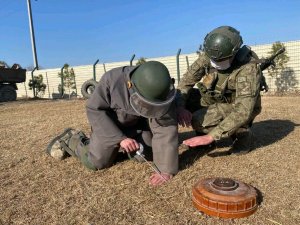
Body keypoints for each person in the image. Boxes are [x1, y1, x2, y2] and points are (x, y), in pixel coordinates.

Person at [47, 61, 178, 186]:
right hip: (109, 126)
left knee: (148, 153)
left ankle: (122, 149)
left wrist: (165, 170)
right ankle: (72, 138)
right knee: (97, 162)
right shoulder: (112, 80)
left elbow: (165, 126)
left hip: (137, 126)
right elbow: (94, 109)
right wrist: (119, 139)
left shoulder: (163, 90)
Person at [176, 26, 262, 154]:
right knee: (178, 98)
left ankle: (243, 135)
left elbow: (243, 110)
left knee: (198, 120)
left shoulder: (247, 68)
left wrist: (210, 136)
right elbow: (186, 82)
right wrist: (180, 107)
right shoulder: (209, 56)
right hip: (215, 98)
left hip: (237, 106)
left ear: (234, 52)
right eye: (213, 59)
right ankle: (204, 140)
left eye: (220, 60)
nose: (215, 62)